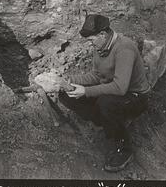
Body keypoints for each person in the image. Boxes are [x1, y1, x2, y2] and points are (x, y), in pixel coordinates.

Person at [61, 14, 151, 172]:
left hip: (135, 97)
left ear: (102, 35)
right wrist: (69, 80)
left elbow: (120, 87)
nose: (90, 44)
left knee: (105, 103)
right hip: (113, 91)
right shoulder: (100, 47)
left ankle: (123, 148)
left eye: (91, 40)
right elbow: (97, 76)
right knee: (66, 94)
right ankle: (106, 122)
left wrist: (86, 91)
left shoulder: (124, 48)